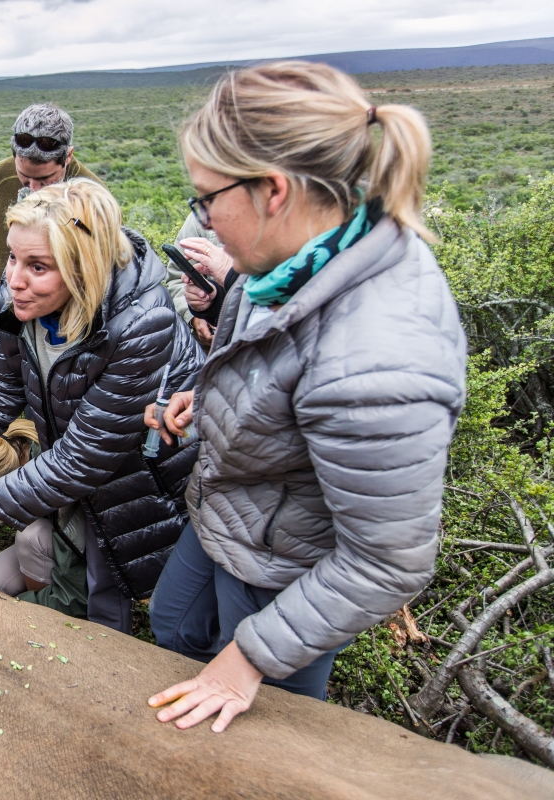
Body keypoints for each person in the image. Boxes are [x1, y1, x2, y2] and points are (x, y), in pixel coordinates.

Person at [146, 61, 467, 733]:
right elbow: (275, 364)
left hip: (284, 569)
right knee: (172, 622)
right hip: (231, 516)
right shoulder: (292, 260)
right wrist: (205, 401)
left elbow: (386, 559)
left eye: (207, 200)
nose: (201, 219)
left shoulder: (378, 359)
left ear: (273, 190)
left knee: (261, 730)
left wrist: (250, 657)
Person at [0, 179, 204, 631]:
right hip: (77, 469)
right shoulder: (17, 300)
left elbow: (84, 458)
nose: (14, 280)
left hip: (143, 476)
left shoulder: (140, 323)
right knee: (76, 560)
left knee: (121, 587)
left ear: (83, 268)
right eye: (13, 258)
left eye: (38, 266)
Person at [0, 103, 102, 342]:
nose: (33, 190)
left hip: (61, 326)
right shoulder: (2, 174)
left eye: (44, 180)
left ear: (68, 157)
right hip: (5, 311)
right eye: (25, 179)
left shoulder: (90, 194)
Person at [163, 215, 234, 349]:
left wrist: (231, 274)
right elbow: (177, 278)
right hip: (212, 349)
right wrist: (196, 315)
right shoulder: (199, 218)